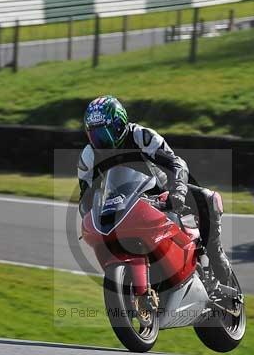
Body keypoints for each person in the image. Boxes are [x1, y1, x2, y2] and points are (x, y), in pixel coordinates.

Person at [77, 95, 233, 286]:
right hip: (121, 205)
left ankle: (217, 257)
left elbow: (177, 163)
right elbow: (85, 198)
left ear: (119, 125)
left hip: (162, 193)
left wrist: (178, 192)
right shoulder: (89, 155)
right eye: (94, 135)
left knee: (207, 198)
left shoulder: (141, 136)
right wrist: (90, 217)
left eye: (104, 134)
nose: (99, 141)